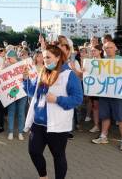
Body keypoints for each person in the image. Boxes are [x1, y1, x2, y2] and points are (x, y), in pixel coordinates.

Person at [23, 45, 83, 179]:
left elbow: (78, 99)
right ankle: (43, 176)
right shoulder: (43, 72)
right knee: (34, 151)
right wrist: (26, 80)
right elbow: (32, 92)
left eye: (48, 57)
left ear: (58, 57)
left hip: (57, 125)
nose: (45, 60)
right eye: (44, 57)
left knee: (58, 156)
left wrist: (57, 99)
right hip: (38, 122)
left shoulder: (69, 75)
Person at [92, 42, 122, 151]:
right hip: (104, 93)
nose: (108, 49)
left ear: (116, 48)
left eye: (111, 47)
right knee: (105, 115)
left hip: (118, 94)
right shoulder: (101, 62)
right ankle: (103, 136)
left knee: (121, 116)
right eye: (106, 48)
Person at [3, 50, 27, 141]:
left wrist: (25, 75)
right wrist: (3, 67)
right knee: (11, 112)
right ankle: (11, 132)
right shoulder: (6, 66)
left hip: (22, 92)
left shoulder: (22, 65)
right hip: (11, 92)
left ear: (14, 57)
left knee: (21, 113)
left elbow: (26, 78)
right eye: (7, 58)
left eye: (9, 58)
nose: (8, 60)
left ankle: (20, 132)